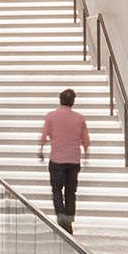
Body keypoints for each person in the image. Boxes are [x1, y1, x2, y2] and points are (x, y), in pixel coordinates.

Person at [38, 87, 90, 232]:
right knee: (71, 191)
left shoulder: (51, 116)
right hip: (73, 160)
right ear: (73, 102)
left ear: (60, 100)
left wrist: (41, 150)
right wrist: (86, 154)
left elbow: (44, 136)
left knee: (56, 189)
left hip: (57, 159)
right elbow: (85, 140)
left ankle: (61, 216)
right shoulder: (80, 118)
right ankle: (69, 218)